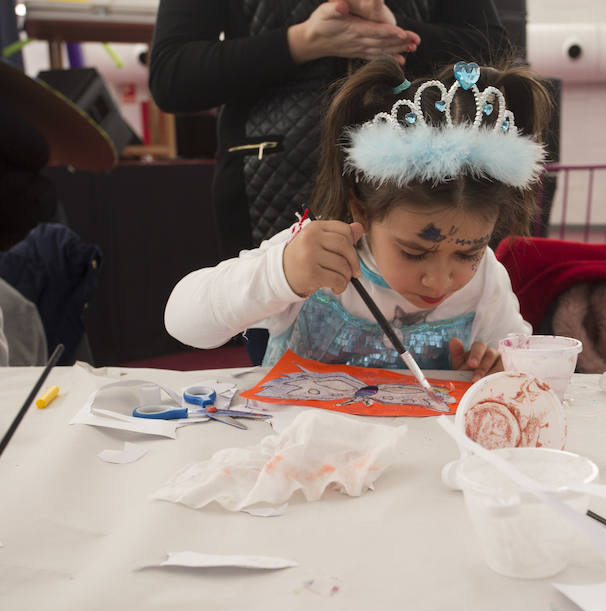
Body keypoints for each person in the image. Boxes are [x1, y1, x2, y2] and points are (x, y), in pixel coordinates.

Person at [149, 0, 509, 363]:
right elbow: (183, 321)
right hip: (274, 184)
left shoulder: (485, 279)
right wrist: (280, 274)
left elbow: (511, 350)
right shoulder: (308, 257)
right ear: (359, 210)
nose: (440, 281)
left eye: (468, 253)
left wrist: (494, 365)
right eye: (414, 252)